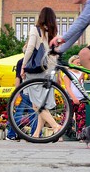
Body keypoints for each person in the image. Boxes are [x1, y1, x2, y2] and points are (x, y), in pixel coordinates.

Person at [22, 7, 62, 138]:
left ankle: (56, 127)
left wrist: (23, 65)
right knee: (42, 104)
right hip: (49, 72)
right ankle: (37, 133)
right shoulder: (54, 33)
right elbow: (56, 55)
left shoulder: (35, 29)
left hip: (37, 72)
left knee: (36, 105)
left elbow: (30, 49)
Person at [63, 55, 87, 140]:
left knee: (81, 118)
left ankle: (81, 135)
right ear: (72, 62)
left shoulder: (81, 73)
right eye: (77, 62)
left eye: (80, 63)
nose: (79, 64)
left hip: (81, 98)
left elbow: (81, 85)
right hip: (71, 98)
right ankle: (61, 135)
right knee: (67, 117)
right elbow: (68, 87)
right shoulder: (68, 73)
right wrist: (73, 98)